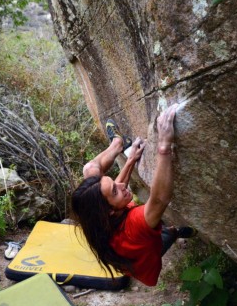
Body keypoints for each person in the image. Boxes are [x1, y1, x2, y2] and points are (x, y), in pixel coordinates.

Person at [71, 103, 194, 286]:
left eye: (113, 182)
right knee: (163, 236)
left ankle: (117, 144)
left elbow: (114, 189)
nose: (122, 185)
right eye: (115, 190)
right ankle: (174, 233)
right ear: (110, 211)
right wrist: (164, 145)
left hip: (131, 245)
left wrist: (131, 160)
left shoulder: (96, 220)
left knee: (89, 170)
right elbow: (159, 200)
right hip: (146, 256)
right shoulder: (133, 227)